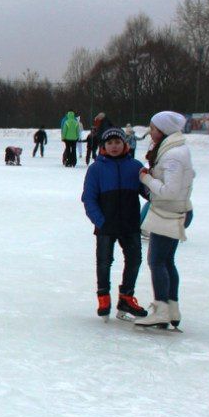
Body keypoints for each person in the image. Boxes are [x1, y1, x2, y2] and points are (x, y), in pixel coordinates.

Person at [135, 111, 195, 329]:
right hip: (172, 211)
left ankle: (162, 309)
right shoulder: (173, 149)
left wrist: (146, 178)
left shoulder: (173, 155)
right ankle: (171, 308)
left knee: (157, 261)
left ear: (164, 130)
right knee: (166, 261)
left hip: (169, 212)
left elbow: (169, 191)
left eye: (153, 128)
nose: (150, 133)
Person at [82, 127, 149, 319]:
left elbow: (146, 192)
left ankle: (126, 298)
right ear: (103, 146)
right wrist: (100, 221)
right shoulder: (96, 169)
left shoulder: (134, 166)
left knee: (134, 259)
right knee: (104, 262)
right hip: (106, 224)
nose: (114, 146)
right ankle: (104, 296)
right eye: (109, 143)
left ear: (124, 144)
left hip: (130, 224)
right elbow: (89, 198)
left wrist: (152, 181)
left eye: (117, 143)